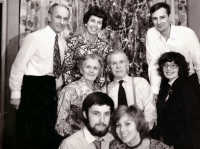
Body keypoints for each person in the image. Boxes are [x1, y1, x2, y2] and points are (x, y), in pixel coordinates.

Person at [9, 4, 70, 149]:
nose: (62, 22)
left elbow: (56, 71)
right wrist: (15, 94)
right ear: (49, 17)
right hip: (32, 88)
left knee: (46, 135)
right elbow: (18, 67)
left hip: (49, 90)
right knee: (28, 135)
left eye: (65, 19)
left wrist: (59, 91)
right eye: (58, 17)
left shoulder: (62, 43)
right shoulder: (34, 38)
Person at [146, 2, 200, 100]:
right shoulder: (151, 34)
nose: (158, 22)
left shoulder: (187, 33)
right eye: (155, 18)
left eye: (162, 17)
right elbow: (153, 64)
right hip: (166, 82)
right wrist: (154, 92)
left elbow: (198, 62)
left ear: (169, 17)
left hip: (188, 81)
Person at [155, 52, 200, 149]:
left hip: (185, 143)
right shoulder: (166, 87)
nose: (168, 69)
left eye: (173, 65)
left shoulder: (187, 88)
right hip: (170, 142)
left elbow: (190, 123)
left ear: (181, 68)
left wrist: (175, 145)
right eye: (165, 65)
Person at [102, 50, 157, 130]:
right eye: (114, 63)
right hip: (116, 133)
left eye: (121, 62)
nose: (118, 66)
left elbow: (150, 110)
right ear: (109, 67)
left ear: (127, 64)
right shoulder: (105, 90)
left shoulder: (141, 83)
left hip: (140, 131)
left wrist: (141, 131)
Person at [62, 6, 111, 87]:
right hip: (74, 88)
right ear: (86, 22)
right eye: (92, 21)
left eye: (99, 22)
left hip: (94, 91)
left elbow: (103, 73)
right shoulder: (73, 42)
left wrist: (95, 90)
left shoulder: (104, 46)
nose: (95, 25)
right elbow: (67, 70)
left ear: (102, 26)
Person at [55, 54, 103, 137]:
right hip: (72, 140)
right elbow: (60, 123)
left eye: (95, 68)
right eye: (88, 67)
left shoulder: (99, 93)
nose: (91, 71)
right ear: (81, 70)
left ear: (99, 72)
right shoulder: (69, 90)